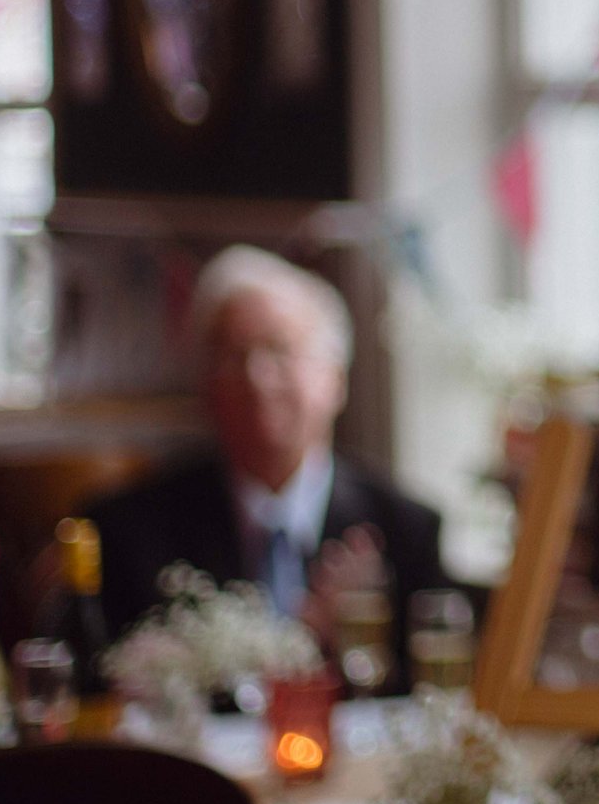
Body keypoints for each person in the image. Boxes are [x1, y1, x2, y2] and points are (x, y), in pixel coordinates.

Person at [83, 245, 448, 690]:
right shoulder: (133, 532)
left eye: (279, 350)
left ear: (335, 379)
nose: (258, 378)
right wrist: (302, 638)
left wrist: (352, 641)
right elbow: (110, 687)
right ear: (204, 384)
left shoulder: (404, 530)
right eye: (235, 356)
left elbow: (430, 701)